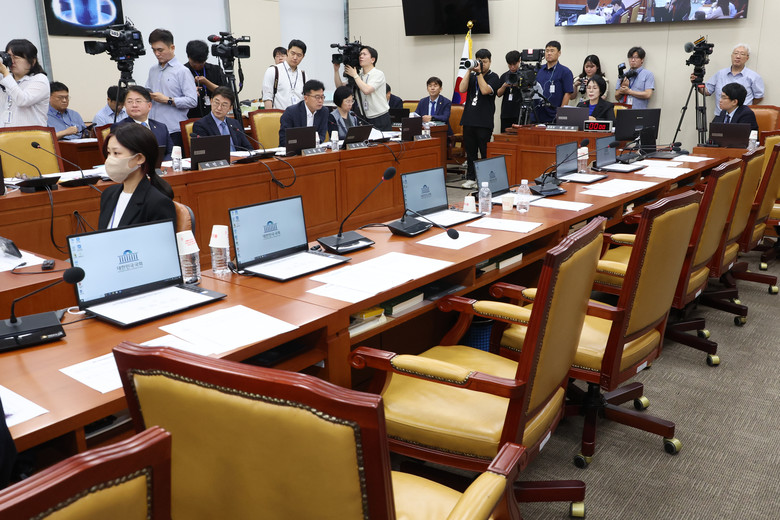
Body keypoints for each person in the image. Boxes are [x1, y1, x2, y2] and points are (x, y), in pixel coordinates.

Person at [98, 123, 176, 230]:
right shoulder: (108, 194)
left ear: (139, 158)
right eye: (108, 153)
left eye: (116, 153)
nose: (110, 159)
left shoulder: (157, 202)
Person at [145, 28, 198, 148]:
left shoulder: (182, 71)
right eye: (154, 50)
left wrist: (168, 100)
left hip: (174, 131)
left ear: (172, 48)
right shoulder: (153, 70)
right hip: (153, 129)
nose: (157, 54)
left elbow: (192, 100)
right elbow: (147, 90)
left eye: (160, 50)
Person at [458, 48, 501, 189]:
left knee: (484, 152)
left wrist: (479, 73)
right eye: (479, 61)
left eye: (484, 61)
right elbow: (461, 89)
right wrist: (469, 70)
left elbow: (485, 90)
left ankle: (484, 179)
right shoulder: (471, 76)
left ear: (490, 62)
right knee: (471, 153)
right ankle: (471, 178)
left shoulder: (494, 77)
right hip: (469, 119)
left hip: (484, 121)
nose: (481, 64)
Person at [333, 45, 391, 131]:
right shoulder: (359, 76)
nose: (361, 56)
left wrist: (355, 75)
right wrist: (336, 71)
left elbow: (367, 90)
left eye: (364, 54)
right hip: (364, 118)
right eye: (360, 54)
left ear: (372, 60)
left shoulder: (378, 74)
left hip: (380, 117)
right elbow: (340, 87)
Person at [113, 85, 173, 160]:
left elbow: (171, 152)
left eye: (138, 101)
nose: (134, 105)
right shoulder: (119, 128)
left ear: (149, 106)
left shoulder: (161, 127)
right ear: (125, 105)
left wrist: (161, 164)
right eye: (130, 102)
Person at [702, 43, 764, 116]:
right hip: (720, 116)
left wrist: (744, 107)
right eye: (736, 53)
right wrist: (697, 82)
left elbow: (758, 97)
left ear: (747, 58)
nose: (738, 56)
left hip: (741, 117)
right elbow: (707, 91)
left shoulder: (753, 76)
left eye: (742, 54)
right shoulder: (720, 74)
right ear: (732, 56)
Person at [0, 39, 49, 127]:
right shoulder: (5, 78)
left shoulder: (40, 79)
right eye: (9, 56)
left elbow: (22, 100)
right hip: (5, 134)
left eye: (16, 57)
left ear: (32, 61)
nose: (12, 61)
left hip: (30, 134)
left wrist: (5, 73)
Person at [191, 86, 252, 152]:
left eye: (224, 105)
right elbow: (203, 153)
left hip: (238, 158)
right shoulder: (201, 125)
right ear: (211, 101)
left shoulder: (235, 124)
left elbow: (248, 148)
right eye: (216, 103)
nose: (219, 108)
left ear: (230, 108)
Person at [184, 40, 228, 119]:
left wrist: (206, 82)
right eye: (194, 63)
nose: (197, 66)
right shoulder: (182, 71)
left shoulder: (215, 70)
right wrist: (191, 90)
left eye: (201, 63)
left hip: (214, 116)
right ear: (188, 56)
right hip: (190, 117)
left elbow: (225, 93)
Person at [278, 79, 329, 145]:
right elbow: (284, 140)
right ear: (306, 98)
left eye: (322, 97)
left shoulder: (324, 111)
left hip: (313, 148)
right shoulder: (291, 112)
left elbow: (322, 135)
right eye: (317, 97)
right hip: (294, 149)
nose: (320, 101)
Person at [534, 41, 574, 124]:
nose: (549, 53)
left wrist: (561, 112)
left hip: (553, 114)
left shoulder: (565, 71)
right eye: (547, 51)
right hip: (537, 113)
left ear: (559, 53)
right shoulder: (538, 70)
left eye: (552, 51)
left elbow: (568, 93)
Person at [263, 39, 307, 110]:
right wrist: (270, 115)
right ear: (287, 52)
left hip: (298, 116)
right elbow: (267, 97)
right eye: (292, 53)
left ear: (303, 56)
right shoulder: (273, 71)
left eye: (299, 55)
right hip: (279, 115)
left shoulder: (303, 75)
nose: (295, 57)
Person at [497, 51, 521, 131]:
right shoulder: (504, 76)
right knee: (505, 135)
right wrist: (504, 86)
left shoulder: (523, 75)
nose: (512, 67)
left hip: (520, 112)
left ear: (519, 61)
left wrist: (519, 85)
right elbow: (498, 94)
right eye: (510, 64)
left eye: (514, 64)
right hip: (506, 113)